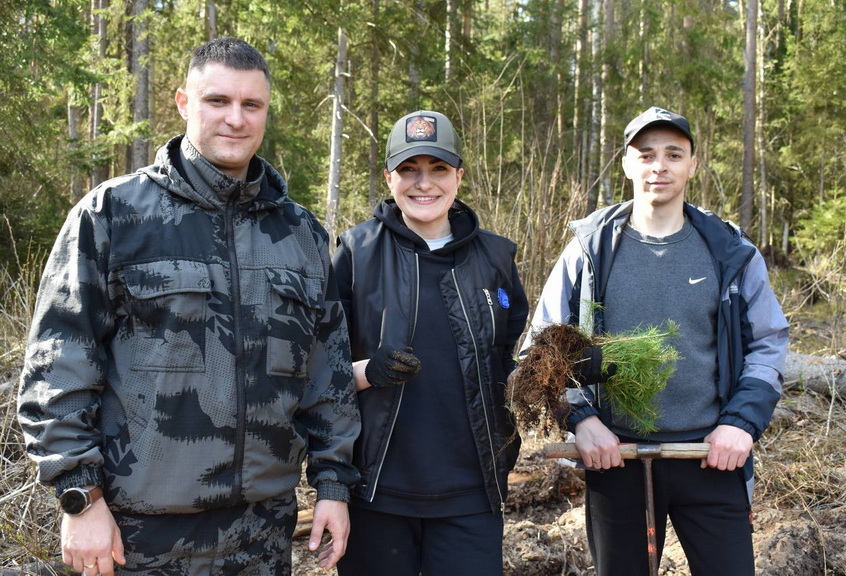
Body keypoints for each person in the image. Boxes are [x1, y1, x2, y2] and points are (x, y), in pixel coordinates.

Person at [17, 37, 360, 576]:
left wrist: (334, 485)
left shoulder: (301, 235)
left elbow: (328, 378)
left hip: (262, 534)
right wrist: (79, 497)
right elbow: (57, 368)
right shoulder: (112, 216)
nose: (236, 119)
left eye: (252, 105)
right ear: (182, 103)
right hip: (139, 534)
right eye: (217, 101)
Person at [518, 106, 788, 575]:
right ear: (627, 164)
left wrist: (741, 424)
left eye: (673, 154)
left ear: (692, 165)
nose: (659, 166)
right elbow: (541, 350)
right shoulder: (590, 250)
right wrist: (581, 420)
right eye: (646, 155)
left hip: (712, 457)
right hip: (614, 457)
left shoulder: (730, 252)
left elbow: (768, 343)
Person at [331, 110, 529, 576]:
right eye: (409, 170)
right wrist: (365, 371)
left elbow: (512, 364)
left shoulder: (496, 257)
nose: (424, 184)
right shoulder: (356, 253)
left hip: (472, 493)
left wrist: (565, 369)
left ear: (459, 175)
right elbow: (315, 371)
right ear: (388, 177)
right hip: (377, 491)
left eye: (438, 169)